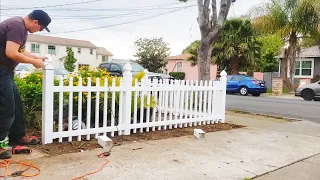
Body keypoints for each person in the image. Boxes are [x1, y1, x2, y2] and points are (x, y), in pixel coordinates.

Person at [0, 10, 52, 159]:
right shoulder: (17, 26)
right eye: (41, 28)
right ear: (35, 22)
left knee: (16, 105)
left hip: (6, 71)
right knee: (6, 108)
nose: (39, 31)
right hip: (1, 70)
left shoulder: (20, 27)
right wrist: (33, 62)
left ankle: (18, 136)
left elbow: (20, 50)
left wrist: (36, 56)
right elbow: (11, 53)